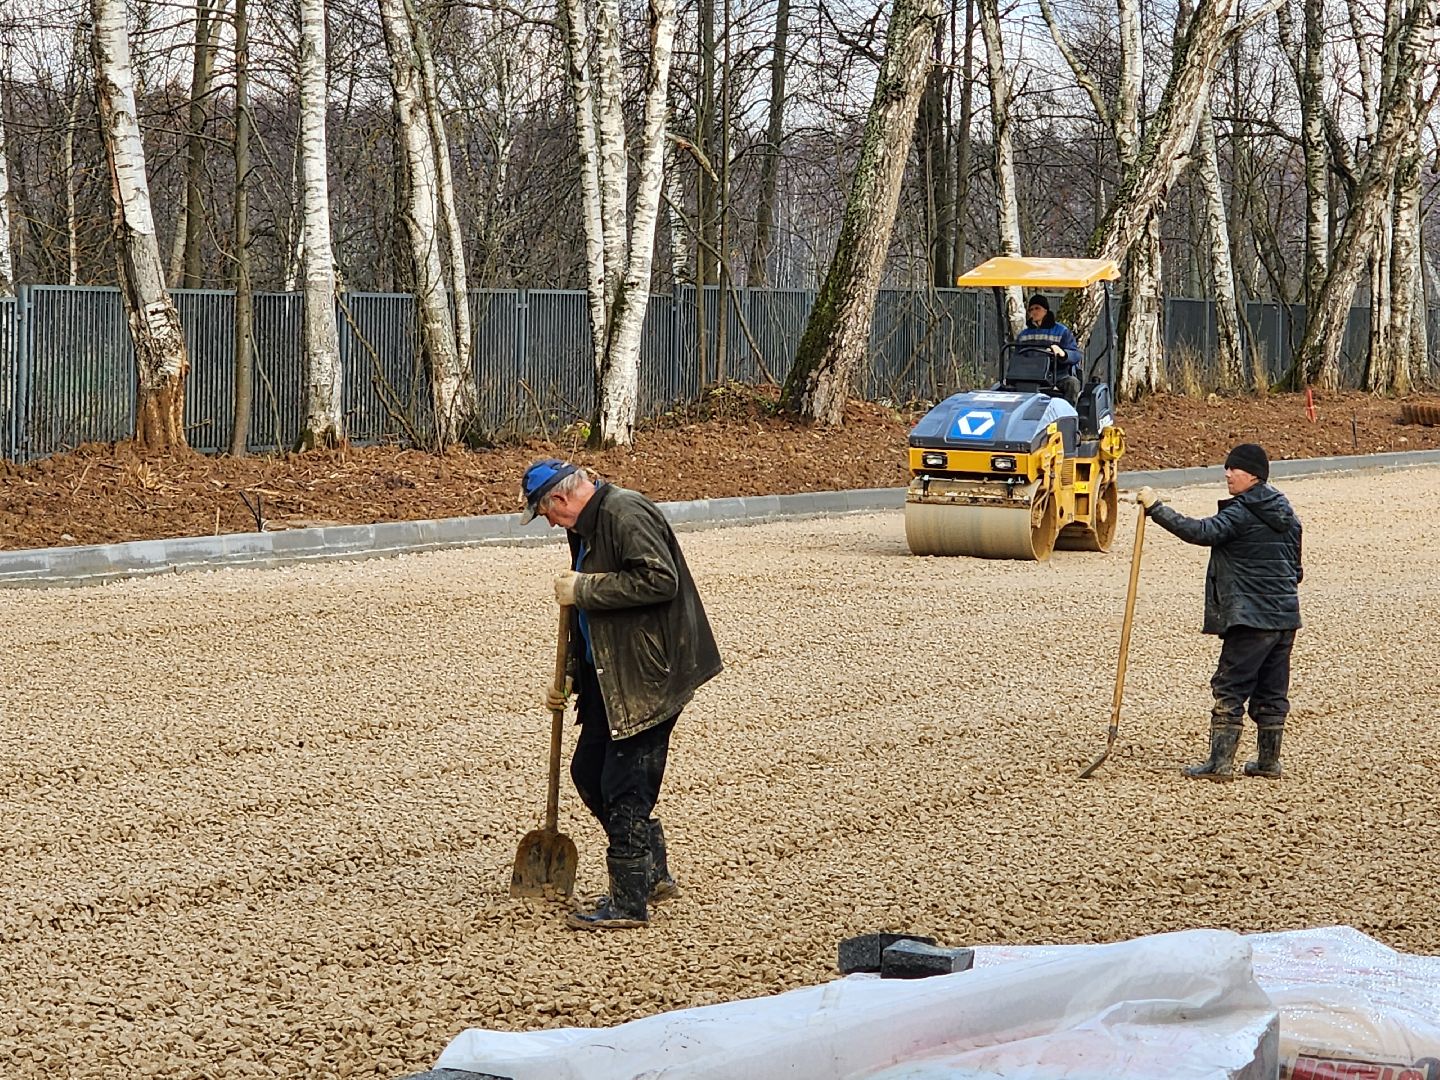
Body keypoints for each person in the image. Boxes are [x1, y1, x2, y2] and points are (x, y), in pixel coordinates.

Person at [521, 458, 723, 930]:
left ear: (561, 498)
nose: (549, 523)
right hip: (609, 674)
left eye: (546, 512)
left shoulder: (625, 513)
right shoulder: (585, 528)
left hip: (647, 677)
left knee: (624, 787)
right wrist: (570, 676)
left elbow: (660, 580)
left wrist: (585, 587)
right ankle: (653, 875)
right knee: (588, 772)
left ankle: (629, 903)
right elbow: (585, 618)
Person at [1136, 443, 1302, 782]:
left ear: (1253, 475)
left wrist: (1156, 508)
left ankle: (1219, 764)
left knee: (1230, 686)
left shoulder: (1242, 511)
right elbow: (1296, 570)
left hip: (1251, 619)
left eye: (1233, 468)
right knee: (1272, 691)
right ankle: (1268, 763)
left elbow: (1200, 532)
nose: (1227, 474)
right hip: (1285, 618)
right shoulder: (1287, 513)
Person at [1015, 293, 1083, 404]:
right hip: (1030, 375)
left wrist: (1062, 353)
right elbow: (1017, 357)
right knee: (1002, 387)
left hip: (1057, 376)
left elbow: (1076, 355)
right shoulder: (1023, 335)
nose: (1034, 312)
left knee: (1072, 383)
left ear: (1045, 310)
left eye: (1037, 308)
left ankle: (1068, 412)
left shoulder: (1061, 331)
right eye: (1031, 309)